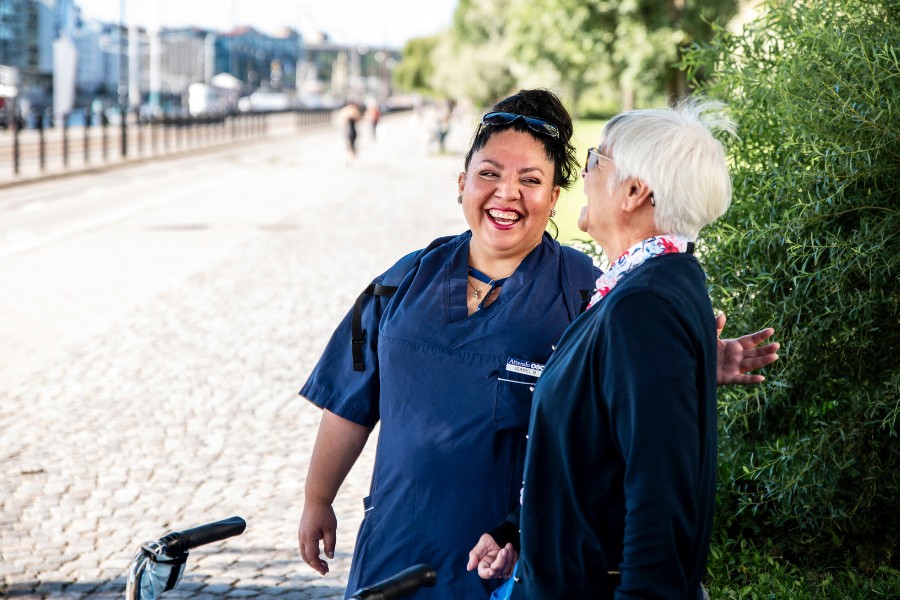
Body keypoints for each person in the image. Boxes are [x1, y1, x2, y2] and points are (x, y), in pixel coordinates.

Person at [298, 89, 778, 599]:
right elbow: (350, 397)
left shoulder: (595, 292)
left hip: (511, 570)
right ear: (461, 183)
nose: (507, 194)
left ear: (554, 198)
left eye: (531, 180)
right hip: (402, 549)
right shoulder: (401, 282)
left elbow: (644, 464)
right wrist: (317, 497)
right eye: (489, 174)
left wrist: (685, 361)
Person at [468, 98, 743, 598]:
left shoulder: (647, 305)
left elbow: (659, 495)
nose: (585, 174)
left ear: (635, 192)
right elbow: (595, 453)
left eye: (597, 160)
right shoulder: (643, 285)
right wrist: (519, 530)